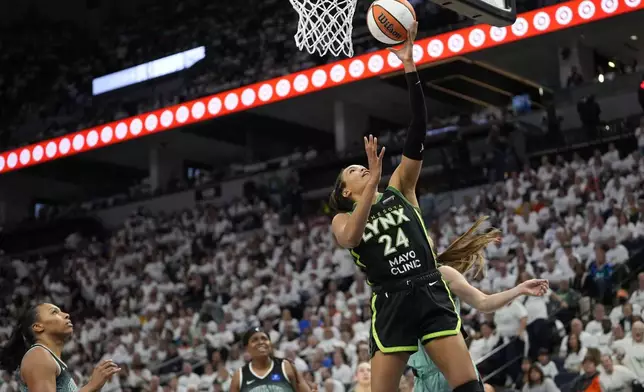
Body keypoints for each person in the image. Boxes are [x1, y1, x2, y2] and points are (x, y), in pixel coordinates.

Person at [328, 20, 526, 392]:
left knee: (469, 384)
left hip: (429, 287)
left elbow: (419, 127)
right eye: (354, 171)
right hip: (391, 300)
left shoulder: (401, 187)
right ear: (346, 191)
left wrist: (409, 64)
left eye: (362, 167)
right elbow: (353, 238)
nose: (361, 167)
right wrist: (372, 182)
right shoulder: (342, 217)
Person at [406, 232, 549, 392]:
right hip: (421, 379)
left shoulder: (443, 274)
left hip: (452, 372)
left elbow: (483, 302)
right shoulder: (397, 290)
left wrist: (519, 289)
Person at [0, 303, 120, 392]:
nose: (66, 314)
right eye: (54, 312)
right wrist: (91, 386)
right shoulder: (38, 356)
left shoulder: (45, 356)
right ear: (38, 327)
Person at [230, 327, 312, 392]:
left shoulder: (286, 367)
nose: (261, 342)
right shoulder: (239, 376)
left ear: (270, 344)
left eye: (264, 338)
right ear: (247, 348)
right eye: (255, 340)